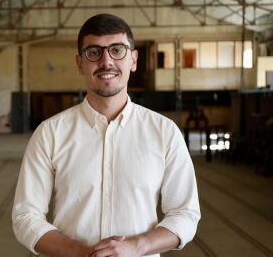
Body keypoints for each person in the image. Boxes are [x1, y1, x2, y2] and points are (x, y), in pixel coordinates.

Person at [11, 13, 200, 257]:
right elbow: (26, 216)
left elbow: (185, 214)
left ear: (133, 59)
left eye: (117, 50)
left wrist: (136, 246)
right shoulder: (50, 133)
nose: (106, 61)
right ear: (80, 62)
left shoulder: (164, 132)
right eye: (94, 52)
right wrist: (82, 254)